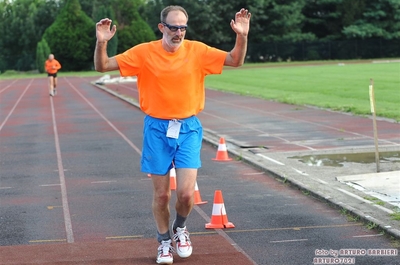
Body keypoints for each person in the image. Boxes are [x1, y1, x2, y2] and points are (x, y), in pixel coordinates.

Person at [94, 5, 251, 265]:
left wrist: (242, 36)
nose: (179, 33)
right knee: (162, 195)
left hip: (188, 127)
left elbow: (236, 60)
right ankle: (164, 240)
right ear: (162, 27)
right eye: (174, 27)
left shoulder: (198, 51)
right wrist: (101, 43)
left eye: (183, 28)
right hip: (157, 129)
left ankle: (180, 228)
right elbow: (102, 67)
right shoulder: (144, 53)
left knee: (187, 194)